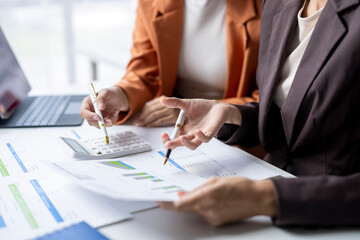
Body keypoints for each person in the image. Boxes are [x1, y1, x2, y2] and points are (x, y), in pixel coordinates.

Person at [158, 0, 360, 227]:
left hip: (327, 215)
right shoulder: (278, 3)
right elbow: (294, 122)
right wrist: (230, 114)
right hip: (265, 194)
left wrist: (266, 197)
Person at [80, 0, 261, 128]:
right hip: (172, 126)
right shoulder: (151, 3)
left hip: (237, 132)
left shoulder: (268, 8)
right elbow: (144, 72)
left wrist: (195, 111)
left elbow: (269, 100)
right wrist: (120, 94)